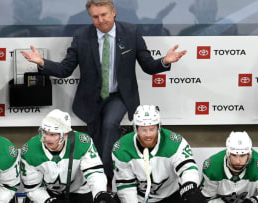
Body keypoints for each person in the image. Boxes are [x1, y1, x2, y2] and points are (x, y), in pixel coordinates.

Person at [21, 0, 187, 184]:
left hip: (120, 96)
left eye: (104, 15)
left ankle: (107, 182)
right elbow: (65, 69)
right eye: (95, 17)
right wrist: (42, 63)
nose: (101, 20)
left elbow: (147, 65)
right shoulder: (81, 36)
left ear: (113, 12)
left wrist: (165, 61)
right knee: (97, 140)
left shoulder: (131, 32)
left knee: (110, 125)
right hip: (91, 98)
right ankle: (96, 180)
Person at [112, 105, 205, 203]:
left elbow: (188, 168)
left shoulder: (175, 143)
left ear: (159, 127)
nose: (148, 135)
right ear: (136, 128)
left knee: (196, 198)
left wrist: (189, 184)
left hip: (169, 195)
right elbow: (126, 187)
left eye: (152, 129)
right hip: (137, 197)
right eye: (143, 130)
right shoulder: (121, 148)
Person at [20, 109, 115, 203]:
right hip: (47, 193)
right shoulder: (30, 149)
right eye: (45, 132)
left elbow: (94, 173)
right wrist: (48, 200)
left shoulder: (82, 143)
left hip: (79, 190)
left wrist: (100, 192)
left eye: (53, 134)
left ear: (65, 135)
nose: (47, 139)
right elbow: (33, 188)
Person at [200, 131, 258, 203]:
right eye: (234, 155)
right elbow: (205, 198)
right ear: (228, 154)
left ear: (249, 154)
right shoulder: (212, 165)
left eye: (242, 155)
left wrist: (252, 201)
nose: (238, 161)